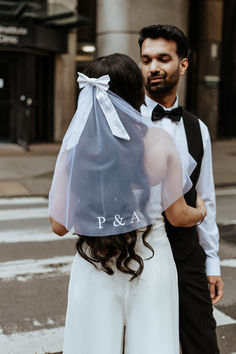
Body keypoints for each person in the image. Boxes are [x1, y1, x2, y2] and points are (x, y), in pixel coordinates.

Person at [49, 53, 207, 354]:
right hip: (151, 262)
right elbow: (178, 216)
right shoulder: (160, 142)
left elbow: (59, 225)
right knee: (154, 344)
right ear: (137, 94)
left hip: (95, 261)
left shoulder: (75, 150)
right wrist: (200, 210)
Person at [139, 24, 224, 354]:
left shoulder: (196, 128)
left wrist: (212, 263)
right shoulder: (124, 118)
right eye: (146, 60)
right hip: (138, 252)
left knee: (202, 342)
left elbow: (208, 196)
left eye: (163, 58)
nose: (154, 67)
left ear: (183, 64)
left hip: (186, 253)